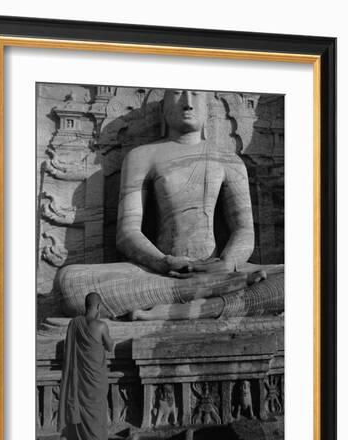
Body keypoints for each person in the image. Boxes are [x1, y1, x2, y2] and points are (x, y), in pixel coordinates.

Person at [57, 89, 284, 320]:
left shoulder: (228, 161)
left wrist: (227, 264)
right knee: (71, 284)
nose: (187, 103)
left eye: (196, 96)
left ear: (208, 110)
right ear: (164, 110)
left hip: (219, 267)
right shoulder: (142, 156)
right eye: (177, 95)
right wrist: (165, 263)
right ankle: (217, 292)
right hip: (162, 272)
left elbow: (244, 230)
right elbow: (127, 233)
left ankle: (187, 303)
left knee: (296, 281)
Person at [58, 292, 114, 440]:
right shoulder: (101, 326)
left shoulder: (74, 324)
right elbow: (110, 346)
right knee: (97, 416)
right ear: (99, 307)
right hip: (96, 381)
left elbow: (70, 350)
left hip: (80, 380)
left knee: (83, 414)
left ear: (85, 305)